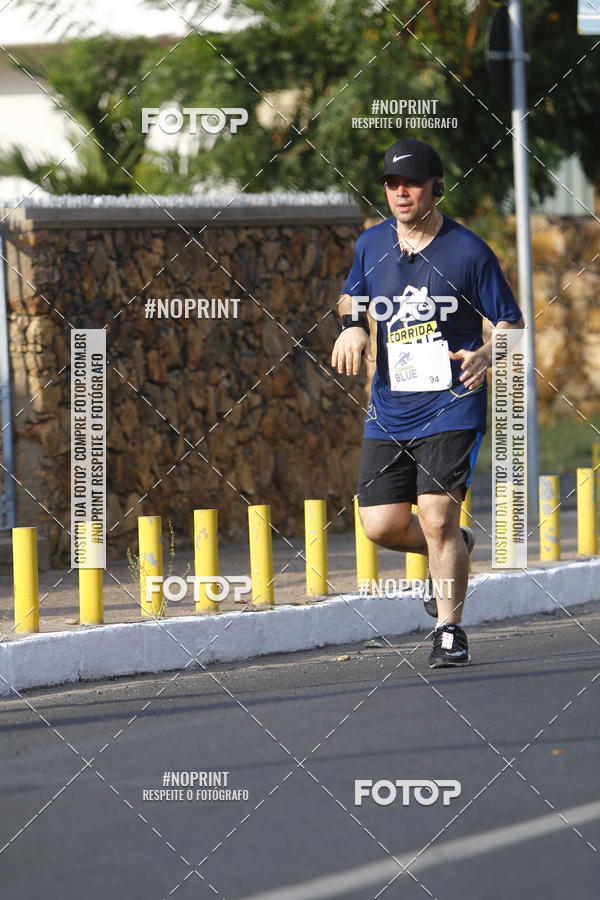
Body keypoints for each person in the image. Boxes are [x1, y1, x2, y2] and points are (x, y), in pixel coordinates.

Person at [331, 137, 524, 668]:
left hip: (452, 403)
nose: (400, 192)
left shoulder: (468, 252)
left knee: (435, 515)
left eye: (411, 182)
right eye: (392, 184)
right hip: (390, 409)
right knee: (381, 525)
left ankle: (449, 630)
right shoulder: (371, 245)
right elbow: (354, 294)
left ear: (436, 187)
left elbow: (513, 326)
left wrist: (487, 353)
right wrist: (351, 327)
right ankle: (454, 545)